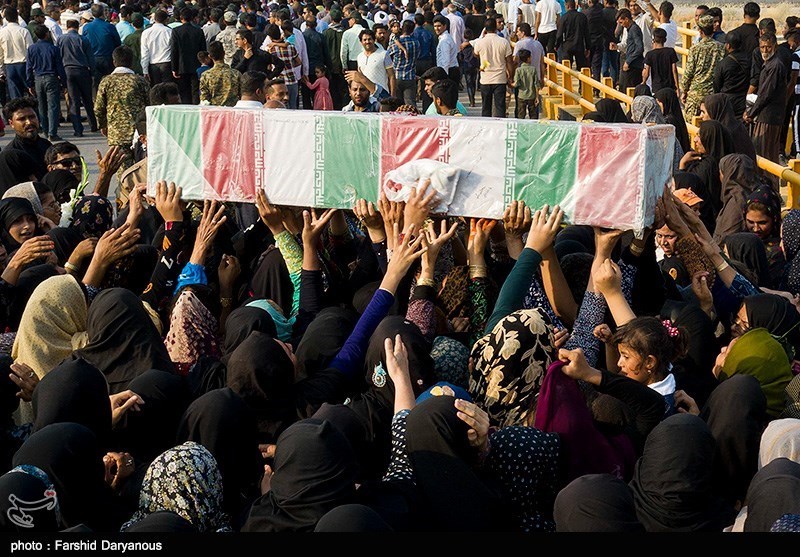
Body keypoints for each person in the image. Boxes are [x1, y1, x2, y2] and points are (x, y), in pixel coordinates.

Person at [94, 46, 149, 165]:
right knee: (142, 170)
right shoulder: (139, 81)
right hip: (140, 133)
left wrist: (103, 125)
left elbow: (98, 108)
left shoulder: (106, 81)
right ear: (132, 62)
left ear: (114, 62)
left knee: (122, 172)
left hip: (117, 134)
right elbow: (149, 105)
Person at [745, 32, 788, 173]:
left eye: (768, 47)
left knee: (764, 155)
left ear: (774, 46)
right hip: (767, 115)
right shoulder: (769, 63)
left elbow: (765, 94)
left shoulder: (775, 66)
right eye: (762, 47)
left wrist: (751, 113)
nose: (765, 51)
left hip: (769, 117)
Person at [466, 16, 512, 117]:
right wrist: (510, 76)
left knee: (486, 107)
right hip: (500, 78)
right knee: (500, 106)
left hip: (485, 79)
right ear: (496, 27)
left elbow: (475, 54)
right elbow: (509, 61)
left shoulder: (480, 42)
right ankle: (501, 127)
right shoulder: (504, 42)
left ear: (485, 29)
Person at [26, 25, 66, 142]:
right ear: (47, 34)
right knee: (53, 106)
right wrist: (64, 83)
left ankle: (44, 129)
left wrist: (29, 84)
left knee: (41, 106)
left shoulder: (31, 49)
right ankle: (52, 132)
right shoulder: (53, 49)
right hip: (51, 77)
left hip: (38, 78)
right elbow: (60, 67)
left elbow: (28, 67)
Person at [680, 14, 724, 121]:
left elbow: (689, 72)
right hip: (712, 94)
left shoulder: (695, 49)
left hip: (695, 95)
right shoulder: (721, 48)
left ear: (700, 30)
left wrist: (684, 91)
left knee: (691, 126)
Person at [3, 96, 51, 178]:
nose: (29, 122)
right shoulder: (11, 156)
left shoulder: (46, 145)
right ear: (11, 123)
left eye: (32, 117)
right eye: (22, 119)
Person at [82, 4, 122, 97]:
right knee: (110, 83)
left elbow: (84, 44)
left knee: (96, 84)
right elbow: (118, 43)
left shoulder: (87, 27)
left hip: (93, 59)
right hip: (108, 58)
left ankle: (97, 103)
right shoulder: (109, 26)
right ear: (103, 13)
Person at [170, 8, 207, 104]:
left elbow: (174, 50)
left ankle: (186, 107)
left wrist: (174, 67)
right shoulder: (198, 31)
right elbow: (203, 49)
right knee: (195, 90)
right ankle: (195, 107)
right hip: (196, 64)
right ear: (192, 18)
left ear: (181, 18)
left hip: (182, 66)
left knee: (184, 91)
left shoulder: (176, 31)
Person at [712, 32, 751, 119]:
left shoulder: (723, 63)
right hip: (743, 100)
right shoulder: (749, 59)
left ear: (728, 46)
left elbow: (716, 85)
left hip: (727, 101)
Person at [0, 7, 34, 100]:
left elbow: (1, 55)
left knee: (15, 97)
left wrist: (1, 70)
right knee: (31, 92)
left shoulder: (2, 33)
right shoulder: (24, 31)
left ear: (5, 18)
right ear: (17, 17)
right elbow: (30, 50)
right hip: (24, 64)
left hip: (9, 66)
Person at [265, 24, 301, 109]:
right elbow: (299, 62)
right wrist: (290, 66)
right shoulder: (291, 47)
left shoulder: (270, 50)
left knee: (280, 107)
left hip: (278, 83)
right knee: (293, 107)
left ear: (270, 37)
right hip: (292, 80)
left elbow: (269, 67)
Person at [200, 41, 242, 107]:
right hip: (232, 112)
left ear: (210, 56)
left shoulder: (205, 75)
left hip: (214, 113)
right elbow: (241, 95)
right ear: (224, 53)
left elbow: (204, 100)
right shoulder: (236, 74)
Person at [388, 20, 418, 106]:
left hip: (396, 76)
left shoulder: (395, 42)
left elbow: (388, 57)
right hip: (410, 76)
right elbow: (417, 56)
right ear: (412, 30)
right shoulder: (416, 43)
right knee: (410, 104)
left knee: (397, 105)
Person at [357, 29, 395, 96]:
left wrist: (392, 95)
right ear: (361, 42)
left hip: (382, 94)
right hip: (366, 96)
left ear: (374, 40)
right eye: (365, 40)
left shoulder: (384, 54)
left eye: (369, 39)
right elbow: (360, 77)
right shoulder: (359, 57)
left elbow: (391, 76)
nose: (367, 42)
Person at [140, 10, 173, 86]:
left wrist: (145, 70)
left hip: (153, 65)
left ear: (154, 19)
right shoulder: (169, 31)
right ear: (166, 19)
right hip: (167, 63)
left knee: (156, 90)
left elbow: (145, 53)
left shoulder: (146, 33)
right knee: (168, 89)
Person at [642, 27, 678, 94]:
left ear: (654, 40)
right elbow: (674, 70)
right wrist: (677, 87)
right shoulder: (671, 51)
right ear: (665, 40)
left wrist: (643, 82)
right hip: (670, 87)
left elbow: (646, 73)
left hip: (657, 88)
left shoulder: (650, 54)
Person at [555, 0, 589, 70]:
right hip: (579, 45)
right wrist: (588, 47)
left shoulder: (564, 17)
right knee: (582, 68)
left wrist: (557, 45)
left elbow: (560, 34)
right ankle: (581, 81)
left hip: (567, 46)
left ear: (567, 6)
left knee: (567, 69)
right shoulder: (582, 17)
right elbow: (586, 33)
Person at [616, 8, 643, 92]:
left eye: (621, 22)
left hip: (634, 66)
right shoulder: (630, 29)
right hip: (632, 64)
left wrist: (628, 61)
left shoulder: (634, 29)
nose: (621, 25)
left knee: (628, 89)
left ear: (627, 19)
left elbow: (639, 47)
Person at [433, 15, 459, 84]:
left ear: (444, 26)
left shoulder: (445, 40)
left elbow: (445, 60)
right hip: (450, 70)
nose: (436, 28)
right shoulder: (445, 38)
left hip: (448, 71)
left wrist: (442, 76)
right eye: (435, 26)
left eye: (439, 26)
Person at [513, 48, 538, 118]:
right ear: (528, 58)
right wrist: (537, 97)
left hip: (521, 96)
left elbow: (516, 83)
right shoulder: (533, 69)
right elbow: (536, 84)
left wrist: (510, 84)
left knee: (521, 115)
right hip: (532, 95)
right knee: (533, 115)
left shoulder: (518, 70)